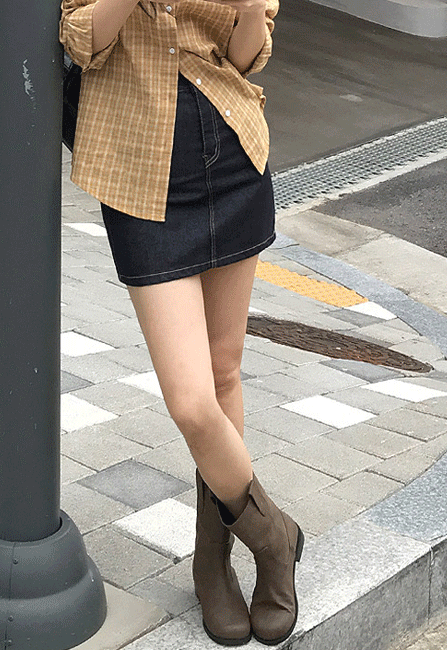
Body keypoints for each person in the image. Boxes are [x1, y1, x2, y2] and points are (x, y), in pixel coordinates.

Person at [60, 0, 303, 645]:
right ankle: (273, 537)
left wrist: (248, 12)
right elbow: (80, 39)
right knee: (192, 401)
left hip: (232, 154)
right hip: (140, 174)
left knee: (224, 374)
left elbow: (249, 55)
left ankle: (212, 561)